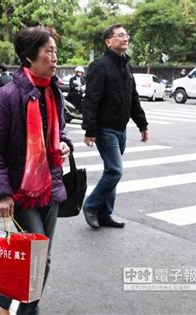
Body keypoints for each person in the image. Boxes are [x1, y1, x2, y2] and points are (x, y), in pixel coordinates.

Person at [0, 26, 72, 315]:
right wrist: (2, 194)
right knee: (38, 257)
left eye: (55, 50)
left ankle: (5, 306)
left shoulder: (54, 91)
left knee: (31, 256)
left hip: (50, 185)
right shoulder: (7, 95)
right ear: (31, 57)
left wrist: (64, 144)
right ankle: (25, 310)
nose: (55, 57)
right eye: (49, 51)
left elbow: (60, 132)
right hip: (20, 191)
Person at [81, 24, 149, 229]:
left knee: (111, 172)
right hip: (104, 129)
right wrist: (90, 130)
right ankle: (91, 206)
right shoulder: (99, 66)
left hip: (121, 129)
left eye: (127, 35)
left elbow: (133, 98)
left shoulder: (126, 66)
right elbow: (91, 99)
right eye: (120, 35)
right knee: (115, 171)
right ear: (108, 41)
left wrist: (142, 124)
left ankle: (105, 214)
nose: (125, 38)